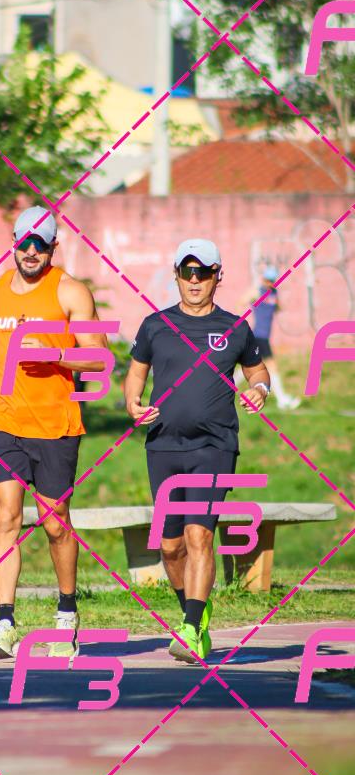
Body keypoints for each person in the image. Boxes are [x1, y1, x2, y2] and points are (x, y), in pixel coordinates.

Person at [0, 205, 108, 661]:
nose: (30, 251)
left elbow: (100, 357)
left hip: (55, 425)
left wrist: (54, 355)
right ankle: (5, 624)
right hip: (2, 422)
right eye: (24, 242)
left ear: (52, 247)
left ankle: (66, 613)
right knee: (6, 516)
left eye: (39, 244)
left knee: (54, 522)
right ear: (13, 243)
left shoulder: (70, 291)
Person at [124, 239, 271, 664]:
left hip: (215, 446)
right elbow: (136, 374)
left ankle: (190, 628)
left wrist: (260, 389)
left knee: (199, 534)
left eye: (203, 272)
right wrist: (132, 403)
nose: (194, 280)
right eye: (187, 272)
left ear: (217, 277)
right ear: (176, 275)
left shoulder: (235, 328)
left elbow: (257, 371)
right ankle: (195, 614)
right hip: (163, 445)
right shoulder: (155, 325)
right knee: (170, 546)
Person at [240, 266, 300, 410]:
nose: (269, 283)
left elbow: (278, 308)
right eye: (267, 280)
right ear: (263, 279)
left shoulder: (274, 293)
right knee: (272, 367)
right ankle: (282, 400)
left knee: (248, 368)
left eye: (272, 280)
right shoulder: (257, 291)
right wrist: (242, 323)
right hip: (258, 336)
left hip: (264, 337)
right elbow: (241, 302)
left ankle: (225, 389)